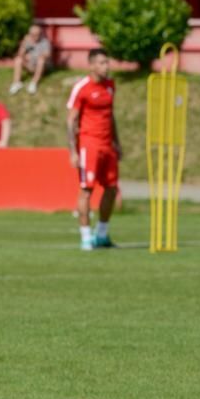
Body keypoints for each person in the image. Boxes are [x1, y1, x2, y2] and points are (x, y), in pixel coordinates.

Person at [67, 48, 120, 250]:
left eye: (107, 62)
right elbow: (70, 120)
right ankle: (86, 237)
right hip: (89, 144)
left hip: (108, 145)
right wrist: (73, 150)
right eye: (102, 63)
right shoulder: (82, 87)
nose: (106, 66)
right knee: (87, 190)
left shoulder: (110, 86)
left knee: (112, 189)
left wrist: (117, 142)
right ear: (91, 65)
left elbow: (111, 116)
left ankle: (102, 234)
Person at [9, 23, 51, 95]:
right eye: (32, 34)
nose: (34, 36)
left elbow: (47, 54)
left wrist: (36, 57)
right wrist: (24, 44)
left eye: (36, 34)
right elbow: (20, 54)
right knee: (18, 60)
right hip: (29, 65)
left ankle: (34, 83)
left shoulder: (45, 42)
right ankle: (16, 83)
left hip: (41, 66)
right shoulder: (27, 41)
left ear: (40, 34)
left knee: (41, 60)